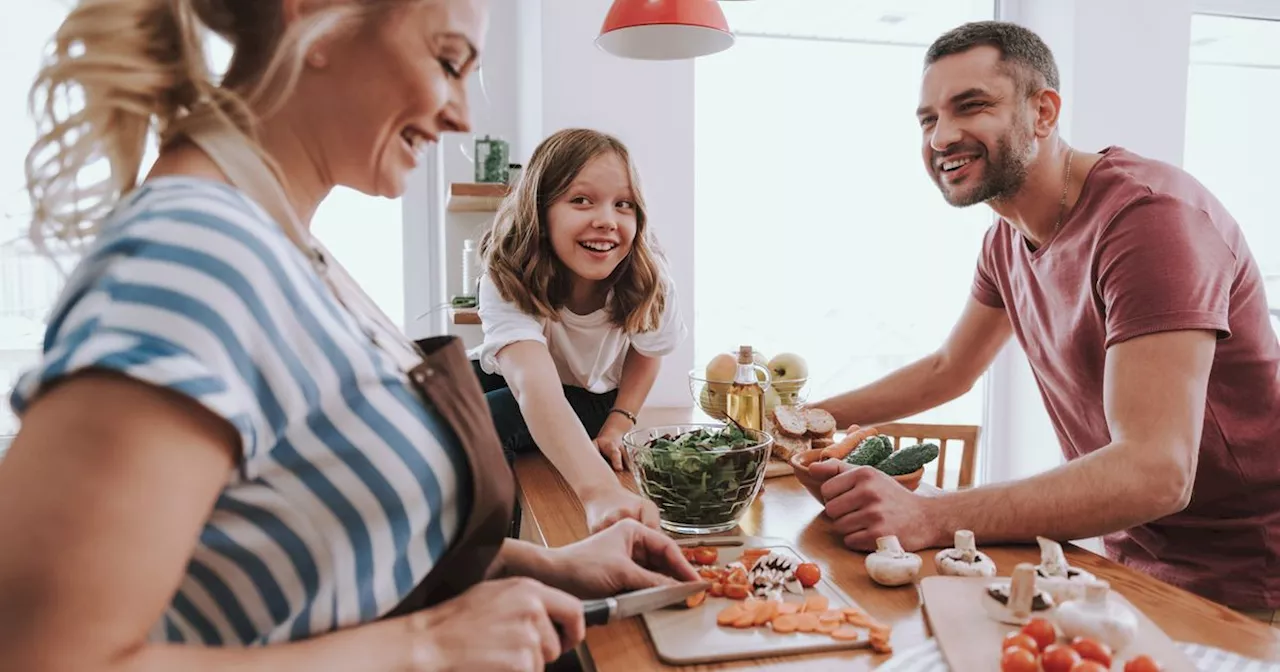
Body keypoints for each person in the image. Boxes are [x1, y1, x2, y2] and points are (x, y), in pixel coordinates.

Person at [0, 1, 700, 669]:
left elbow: (316, 542)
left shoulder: (282, 246)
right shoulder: (190, 257)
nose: (459, 115)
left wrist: (551, 566)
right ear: (314, 16)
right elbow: (45, 657)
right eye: (448, 61)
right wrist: (425, 648)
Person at [809, 20, 1280, 621]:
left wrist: (931, 514)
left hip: (1250, 582)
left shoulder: (1150, 220)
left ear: (1044, 112)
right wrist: (807, 421)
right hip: (1128, 560)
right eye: (927, 120)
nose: (942, 137)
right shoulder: (1004, 242)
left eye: (971, 106)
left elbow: (1156, 472)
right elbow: (948, 369)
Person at [473, 128, 686, 534]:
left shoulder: (649, 278)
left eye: (623, 205)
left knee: (484, 422)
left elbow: (649, 348)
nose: (606, 220)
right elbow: (532, 383)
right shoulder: (506, 275)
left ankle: (493, 556)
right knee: (435, 402)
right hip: (526, 376)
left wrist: (618, 425)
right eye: (581, 200)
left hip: (590, 395)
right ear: (540, 209)